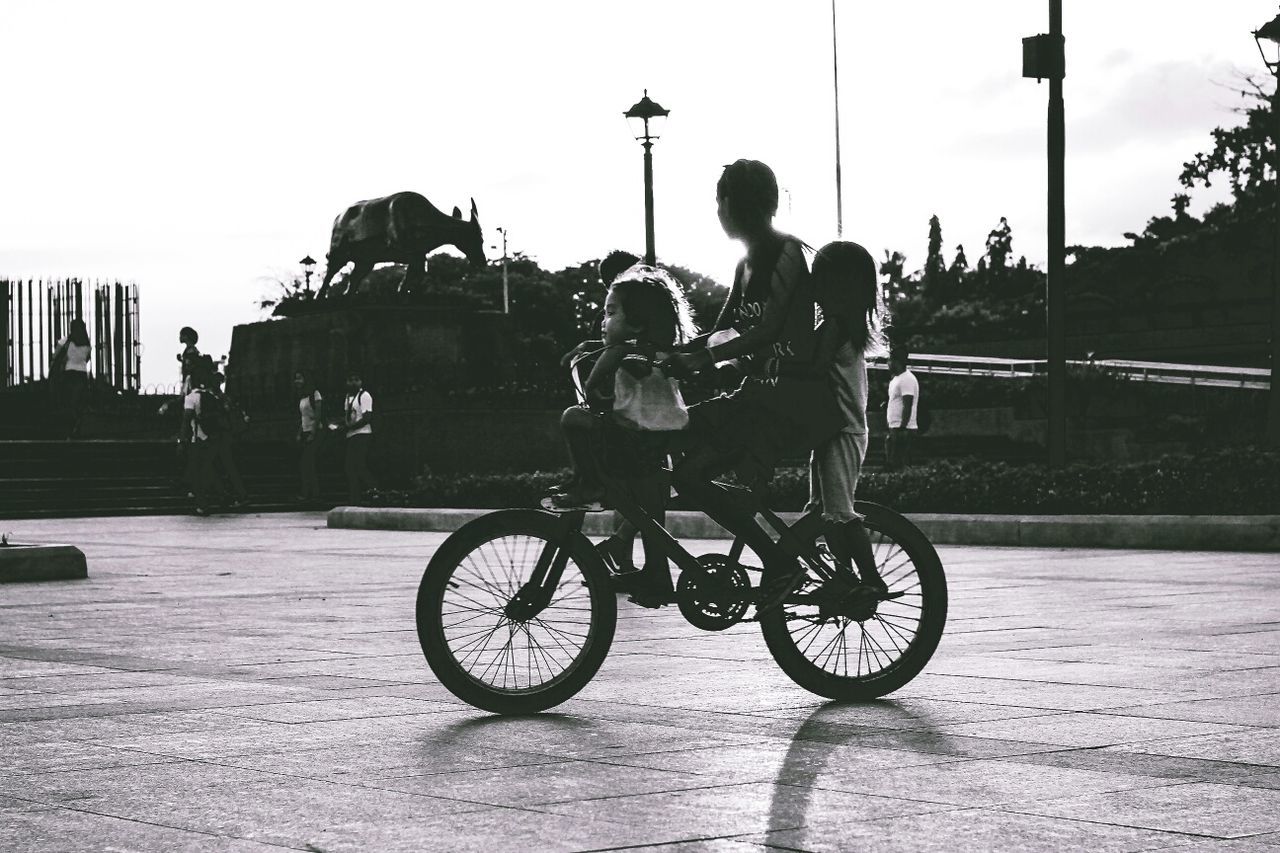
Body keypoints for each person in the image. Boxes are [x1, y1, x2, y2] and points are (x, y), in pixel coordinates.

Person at [663, 159, 844, 606]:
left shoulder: (785, 253)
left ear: (737, 204)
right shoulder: (745, 264)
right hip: (759, 396)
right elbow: (723, 330)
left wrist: (705, 357)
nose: (718, 211)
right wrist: (661, 353)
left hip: (791, 399)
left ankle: (779, 563)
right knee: (684, 463)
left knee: (695, 472)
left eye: (720, 201)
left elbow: (766, 330)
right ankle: (772, 554)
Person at [549, 266, 697, 598]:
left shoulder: (622, 351)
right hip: (661, 439)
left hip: (633, 437)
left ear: (638, 323)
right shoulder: (662, 351)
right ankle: (658, 574)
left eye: (611, 313)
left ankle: (587, 482)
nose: (604, 321)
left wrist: (599, 377)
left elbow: (592, 388)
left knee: (573, 418)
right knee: (649, 512)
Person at [803, 241, 890, 593]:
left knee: (839, 510)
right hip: (834, 430)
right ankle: (843, 576)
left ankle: (869, 578)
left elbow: (814, 366)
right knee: (824, 510)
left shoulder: (835, 326)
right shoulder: (845, 325)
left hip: (842, 431)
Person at [179, 357, 217, 516]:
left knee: (196, 472)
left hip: (197, 439)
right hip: (211, 437)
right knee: (207, 470)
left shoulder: (191, 398)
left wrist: (181, 440)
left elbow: (186, 420)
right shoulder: (211, 396)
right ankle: (216, 495)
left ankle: (202, 504)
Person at [205, 371, 249, 508]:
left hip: (220, 436)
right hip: (225, 436)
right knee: (227, 466)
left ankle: (229, 494)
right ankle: (235, 494)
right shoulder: (225, 398)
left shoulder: (216, 399)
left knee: (213, 464)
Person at [51, 318, 92, 438]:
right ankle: (78, 426)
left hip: (69, 374)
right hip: (82, 375)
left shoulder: (65, 341)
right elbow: (87, 358)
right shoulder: (87, 343)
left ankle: (71, 427)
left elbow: (55, 356)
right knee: (79, 402)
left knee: (67, 402)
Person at [341, 372, 376, 504]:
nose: (353, 383)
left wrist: (350, 427)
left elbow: (367, 418)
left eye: (356, 379)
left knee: (358, 465)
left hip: (362, 434)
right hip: (351, 434)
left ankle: (374, 490)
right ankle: (355, 498)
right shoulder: (348, 397)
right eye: (350, 380)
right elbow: (347, 416)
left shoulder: (364, 396)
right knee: (350, 467)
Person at [886, 348, 919, 470]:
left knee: (902, 465)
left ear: (897, 362)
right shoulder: (896, 379)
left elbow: (908, 404)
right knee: (893, 464)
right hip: (895, 427)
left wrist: (902, 428)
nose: (888, 363)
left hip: (904, 429)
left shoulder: (907, 379)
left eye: (889, 360)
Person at [295, 371, 324, 504]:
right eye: (296, 379)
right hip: (306, 431)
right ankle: (309, 493)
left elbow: (318, 414)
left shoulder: (315, 394)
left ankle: (313, 494)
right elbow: (303, 417)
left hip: (315, 431)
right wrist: (300, 432)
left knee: (308, 463)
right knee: (305, 464)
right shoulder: (302, 397)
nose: (297, 381)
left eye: (300, 378)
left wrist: (313, 433)